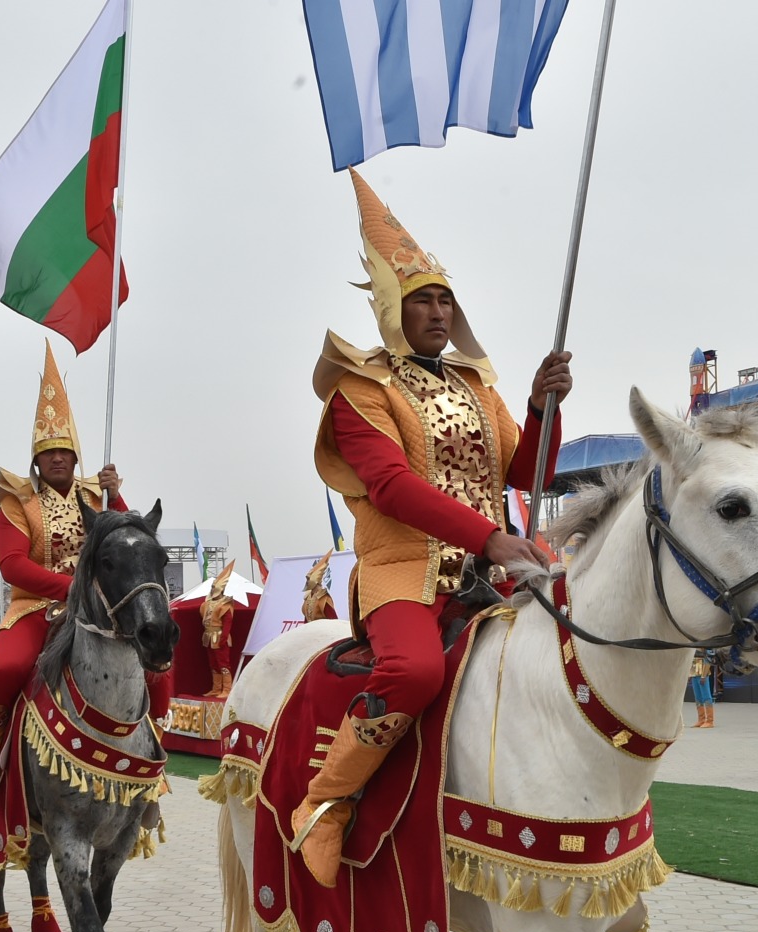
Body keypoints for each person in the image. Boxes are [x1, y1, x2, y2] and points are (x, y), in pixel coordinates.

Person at [293, 169, 569, 889]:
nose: (441, 312)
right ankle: (326, 802)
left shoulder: (477, 386)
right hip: (403, 573)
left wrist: (543, 407)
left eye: (446, 298)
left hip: (493, 568)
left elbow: (523, 470)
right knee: (413, 671)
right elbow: (389, 484)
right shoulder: (361, 389)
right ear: (392, 310)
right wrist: (487, 537)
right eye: (424, 301)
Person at [0, 348, 127, 805]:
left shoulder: (96, 497)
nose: (57, 457)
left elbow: (125, 542)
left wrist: (118, 497)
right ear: (36, 458)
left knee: (147, 659)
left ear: (76, 456)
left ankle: (147, 759)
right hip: (34, 607)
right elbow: (12, 565)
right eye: (48, 451)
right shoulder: (18, 503)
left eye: (64, 450)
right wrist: (72, 588)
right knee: (8, 667)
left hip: (95, 610)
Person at [200, 562, 237, 698]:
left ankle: (227, 689)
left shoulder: (226, 604)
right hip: (208, 636)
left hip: (219, 635)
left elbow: (227, 622)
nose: (213, 588)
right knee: (213, 663)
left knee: (223, 663)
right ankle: (216, 688)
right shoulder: (207, 603)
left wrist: (224, 637)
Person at [301, 549, 337, 622]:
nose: (307, 581)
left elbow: (333, 621)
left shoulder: (323, 598)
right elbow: (306, 620)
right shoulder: (307, 597)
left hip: (323, 631)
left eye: (309, 579)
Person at [689, 649, 715, 729]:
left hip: (703, 673)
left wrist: (704, 675)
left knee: (706, 696)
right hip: (694, 673)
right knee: (698, 697)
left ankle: (710, 721)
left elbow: (708, 660)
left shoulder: (707, 646)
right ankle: (701, 719)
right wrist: (690, 674)